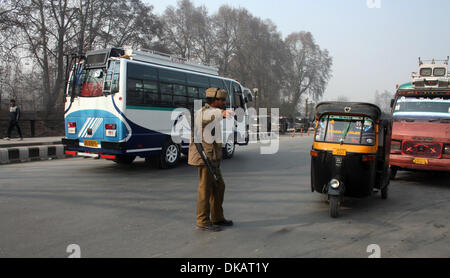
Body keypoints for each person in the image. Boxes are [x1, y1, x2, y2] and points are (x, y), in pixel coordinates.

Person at [188, 88, 234, 232]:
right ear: (214, 101)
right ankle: (202, 221)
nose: (224, 102)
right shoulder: (204, 112)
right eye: (222, 100)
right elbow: (211, 114)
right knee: (205, 189)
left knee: (219, 186)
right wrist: (223, 113)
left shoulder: (210, 112)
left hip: (212, 157)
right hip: (204, 157)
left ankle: (217, 217)